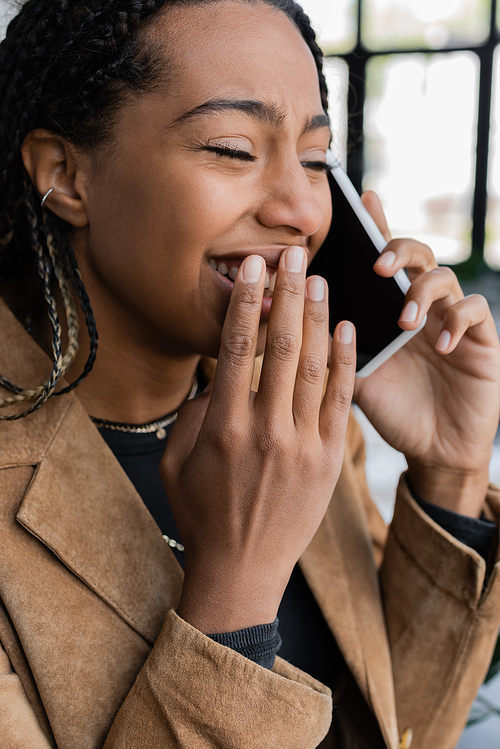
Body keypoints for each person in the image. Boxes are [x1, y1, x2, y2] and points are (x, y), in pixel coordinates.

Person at [0, 1, 499, 747]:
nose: (303, 207)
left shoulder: (291, 408)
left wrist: (450, 476)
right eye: (233, 149)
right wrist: (235, 588)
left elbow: (405, 728)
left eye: (314, 158)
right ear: (66, 174)